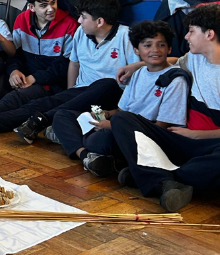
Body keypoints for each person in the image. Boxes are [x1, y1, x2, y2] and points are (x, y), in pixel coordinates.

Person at [0, 0, 138, 142]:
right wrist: (70, 91)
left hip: (106, 96)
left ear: (100, 22)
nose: (79, 20)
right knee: (38, 102)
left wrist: (136, 69)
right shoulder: (82, 33)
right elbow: (74, 63)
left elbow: (150, 67)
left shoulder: (126, 37)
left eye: (83, 17)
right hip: (78, 92)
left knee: (105, 84)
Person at [111, 5, 220, 212]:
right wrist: (137, 65)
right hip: (179, 139)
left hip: (208, 144)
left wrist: (197, 135)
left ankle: (157, 176)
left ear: (209, 34)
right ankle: (169, 177)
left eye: (191, 31)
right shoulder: (194, 57)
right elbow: (172, 60)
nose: (186, 37)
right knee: (121, 119)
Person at [52, 21, 189, 177]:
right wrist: (105, 114)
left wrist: (112, 126)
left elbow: (160, 127)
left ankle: (88, 149)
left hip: (144, 136)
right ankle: (87, 156)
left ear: (169, 49)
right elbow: (121, 110)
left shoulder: (175, 79)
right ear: (137, 50)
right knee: (63, 115)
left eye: (161, 45)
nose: (155, 50)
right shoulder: (139, 73)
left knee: (101, 139)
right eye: (147, 45)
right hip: (121, 124)